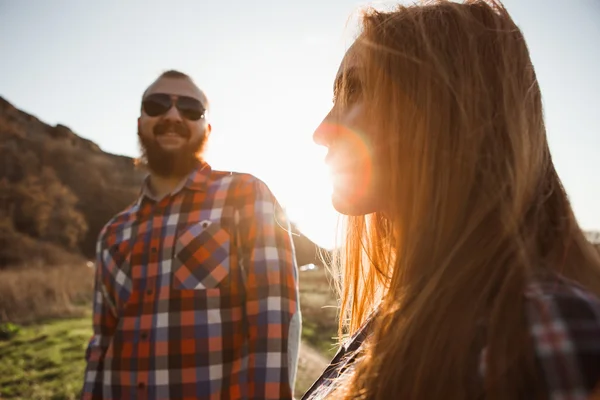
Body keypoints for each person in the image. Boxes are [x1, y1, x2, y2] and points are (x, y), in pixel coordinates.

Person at [303, 1, 600, 399]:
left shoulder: (536, 328)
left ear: (449, 108)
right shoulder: (401, 308)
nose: (321, 131)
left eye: (355, 89)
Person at [81, 70, 301, 400]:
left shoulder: (245, 196)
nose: (172, 115)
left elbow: (274, 324)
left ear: (207, 129)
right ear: (140, 122)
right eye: (156, 105)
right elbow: (102, 341)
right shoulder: (113, 233)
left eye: (190, 108)